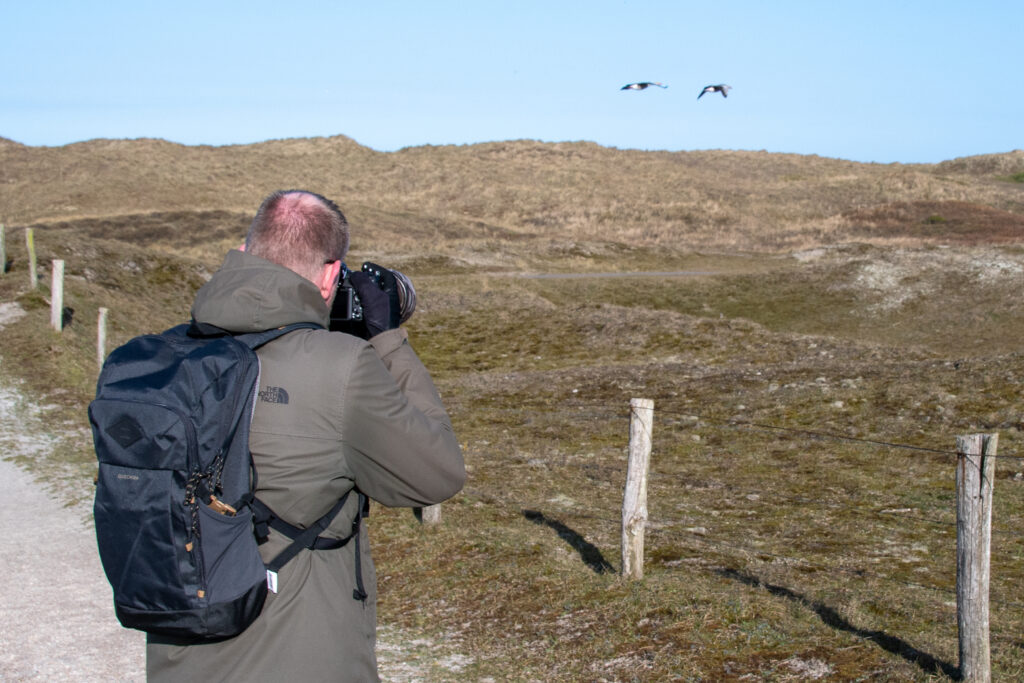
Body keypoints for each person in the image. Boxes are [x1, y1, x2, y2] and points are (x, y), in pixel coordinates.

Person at [146, 189, 465, 682]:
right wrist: (386, 338)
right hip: (304, 654)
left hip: (181, 653)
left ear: (245, 252)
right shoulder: (342, 367)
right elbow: (437, 473)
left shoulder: (162, 358)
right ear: (331, 275)